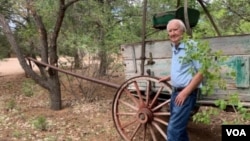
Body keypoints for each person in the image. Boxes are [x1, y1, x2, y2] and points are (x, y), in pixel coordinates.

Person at [159, 19, 203, 141]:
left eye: (175, 30)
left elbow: (201, 72)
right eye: (170, 31)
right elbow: (184, 68)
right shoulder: (176, 47)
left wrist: (185, 92)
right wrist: (170, 77)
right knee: (180, 130)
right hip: (175, 92)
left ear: (182, 31)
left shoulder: (192, 46)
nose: (172, 33)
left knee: (173, 131)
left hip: (185, 94)